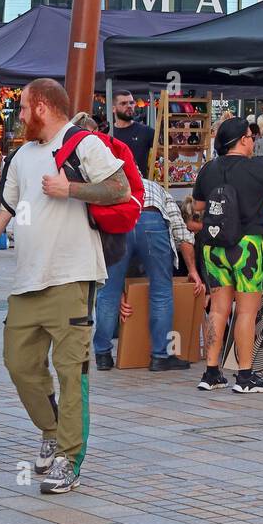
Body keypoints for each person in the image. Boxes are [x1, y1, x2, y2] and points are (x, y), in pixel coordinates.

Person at [0, 78, 130, 496]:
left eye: (21, 108)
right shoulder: (21, 156)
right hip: (27, 280)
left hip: (73, 277)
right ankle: (51, 429)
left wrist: (70, 188)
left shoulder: (84, 143)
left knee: (73, 373)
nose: (18, 116)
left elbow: (119, 188)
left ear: (40, 107)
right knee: (19, 364)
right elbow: (3, 209)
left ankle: (69, 460)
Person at [88, 112, 204, 374]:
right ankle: (160, 356)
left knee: (108, 291)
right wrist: (193, 271)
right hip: (152, 218)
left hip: (120, 222)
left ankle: (103, 354)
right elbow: (180, 231)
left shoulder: (104, 188)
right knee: (161, 289)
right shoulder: (153, 186)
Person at [191, 117, 263, 394]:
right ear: (243, 139)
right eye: (251, 136)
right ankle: (244, 375)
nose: (253, 141)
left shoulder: (209, 169)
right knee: (246, 311)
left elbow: (198, 205)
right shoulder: (258, 168)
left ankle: (211, 372)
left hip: (214, 246)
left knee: (218, 310)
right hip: (248, 246)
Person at [109, 90, 154, 177]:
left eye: (131, 102)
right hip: (115, 187)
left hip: (140, 186)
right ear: (113, 108)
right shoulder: (107, 133)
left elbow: (165, 153)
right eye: (123, 103)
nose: (129, 106)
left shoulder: (146, 131)